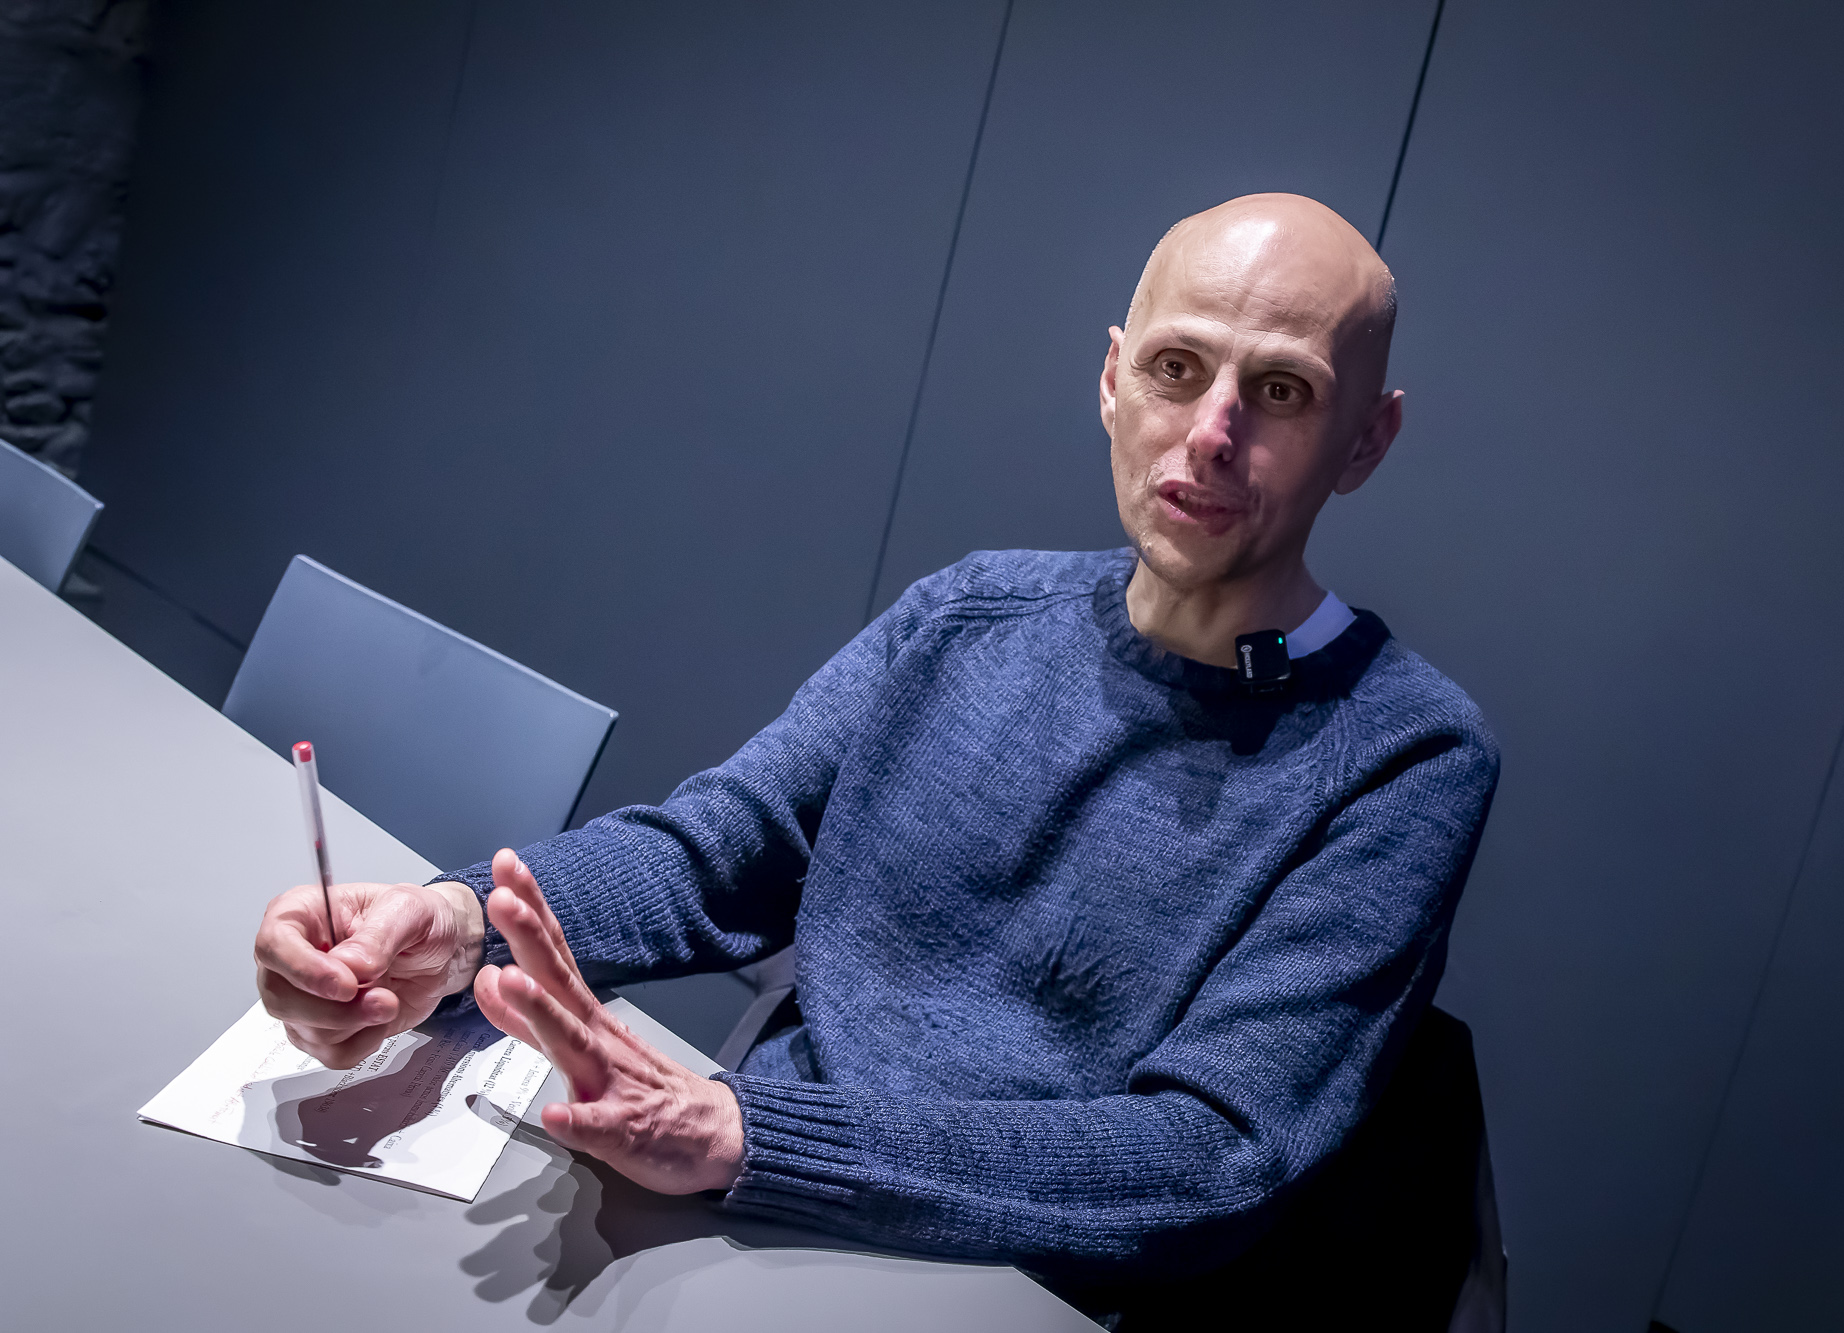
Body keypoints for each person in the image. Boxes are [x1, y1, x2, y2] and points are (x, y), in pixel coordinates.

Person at [252, 193, 1499, 1306]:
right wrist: (454, 926)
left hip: (1013, 1285)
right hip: (735, 1219)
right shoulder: (970, 614)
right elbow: (717, 852)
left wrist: (745, 1136)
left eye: (1279, 391)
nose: (1211, 431)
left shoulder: (1404, 753)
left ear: (1366, 439)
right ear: (1112, 380)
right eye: (1177, 367)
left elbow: (1206, 1156)